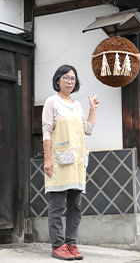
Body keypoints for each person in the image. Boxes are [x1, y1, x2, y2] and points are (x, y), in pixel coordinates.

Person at [42, 64, 99, 261]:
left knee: (75, 205)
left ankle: (71, 244)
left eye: (73, 78)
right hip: (58, 161)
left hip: (76, 162)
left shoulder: (77, 105)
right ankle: (58, 245)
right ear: (57, 80)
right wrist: (47, 159)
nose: (69, 81)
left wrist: (92, 109)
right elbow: (46, 131)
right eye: (65, 77)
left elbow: (88, 129)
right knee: (57, 205)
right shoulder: (52, 102)